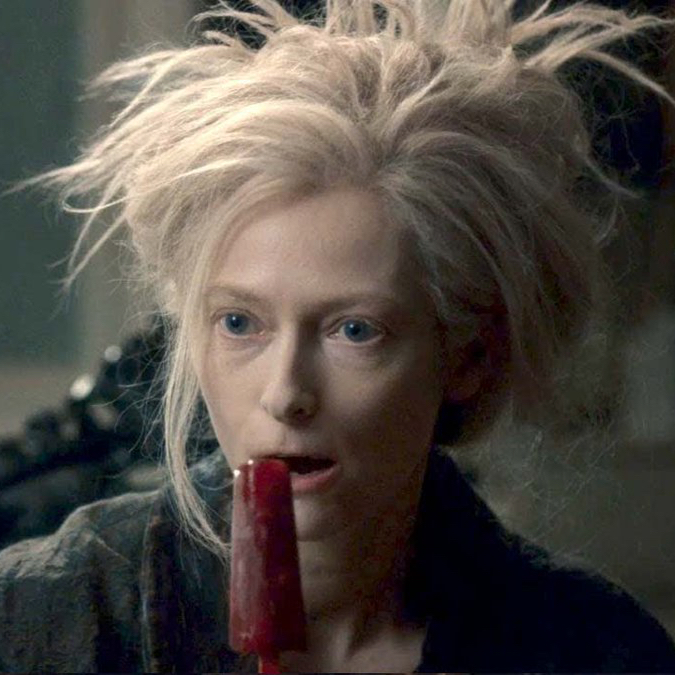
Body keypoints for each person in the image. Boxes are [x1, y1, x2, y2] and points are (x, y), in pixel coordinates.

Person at [1, 0, 675, 671]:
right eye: (239, 323)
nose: (285, 393)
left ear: (467, 356)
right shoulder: (39, 617)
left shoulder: (595, 651)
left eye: (355, 330)